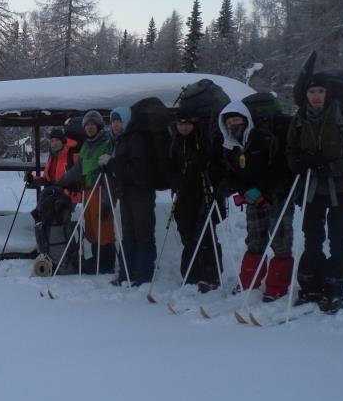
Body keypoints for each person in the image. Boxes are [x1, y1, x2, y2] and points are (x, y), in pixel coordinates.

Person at [286, 76, 343, 314]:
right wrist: (299, 164)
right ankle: (310, 286)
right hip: (312, 189)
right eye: (312, 92)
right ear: (306, 95)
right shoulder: (299, 119)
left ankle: (334, 286)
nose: (316, 96)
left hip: (340, 188)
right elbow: (290, 150)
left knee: (339, 239)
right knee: (312, 237)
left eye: (320, 91)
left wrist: (329, 167)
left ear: (327, 94)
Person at [218, 100, 295, 302]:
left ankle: (277, 287)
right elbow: (232, 174)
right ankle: (248, 282)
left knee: (281, 240)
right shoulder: (230, 146)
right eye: (230, 121)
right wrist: (249, 192)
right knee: (255, 239)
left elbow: (278, 167)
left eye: (237, 119)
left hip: (277, 194)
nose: (234, 124)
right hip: (253, 197)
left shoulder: (264, 139)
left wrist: (263, 192)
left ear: (246, 119)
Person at [166, 109, 224, 293]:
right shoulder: (175, 141)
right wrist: (174, 179)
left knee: (206, 233)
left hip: (203, 192)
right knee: (187, 234)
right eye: (180, 124)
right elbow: (171, 166)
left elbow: (215, 162)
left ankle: (211, 275)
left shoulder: (202, 139)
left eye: (187, 124)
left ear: (194, 124)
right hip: (183, 194)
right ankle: (191, 273)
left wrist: (203, 164)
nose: (183, 127)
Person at [99, 106, 157, 286]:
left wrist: (113, 163)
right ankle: (127, 274)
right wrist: (109, 166)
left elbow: (136, 170)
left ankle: (143, 276)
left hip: (141, 192)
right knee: (129, 234)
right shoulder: (121, 140)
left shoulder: (137, 139)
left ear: (127, 120)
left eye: (119, 121)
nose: (116, 125)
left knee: (143, 233)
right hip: (126, 193)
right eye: (113, 121)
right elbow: (122, 168)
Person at [57, 111, 116, 275]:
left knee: (103, 226)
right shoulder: (86, 145)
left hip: (103, 189)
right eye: (87, 125)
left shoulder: (107, 141)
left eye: (93, 124)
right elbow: (77, 169)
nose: (90, 127)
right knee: (91, 226)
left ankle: (106, 263)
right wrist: (60, 183)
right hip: (89, 190)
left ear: (98, 126)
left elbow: (111, 173)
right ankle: (97, 259)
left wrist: (106, 201)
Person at [25, 128, 80, 204]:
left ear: (63, 141)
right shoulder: (52, 157)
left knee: (50, 212)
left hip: (68, 196)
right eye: (52, 141)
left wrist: (72, 188)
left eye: (57, 140)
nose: (55, 143)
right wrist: (32, 179)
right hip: (54, 194)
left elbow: (80, 174)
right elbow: (47, 180)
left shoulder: (72, 154)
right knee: (39, 212)